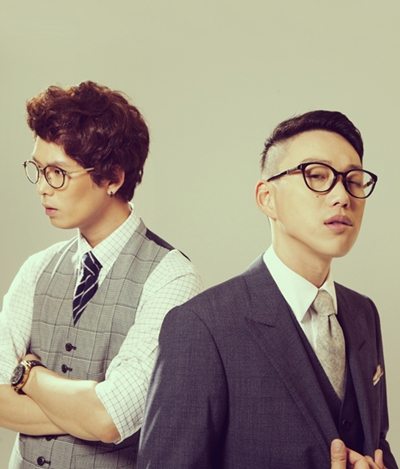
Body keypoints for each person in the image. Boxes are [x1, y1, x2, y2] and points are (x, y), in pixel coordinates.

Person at [137, 110, 397, 468]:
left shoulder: (363, 313)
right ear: (266, 197)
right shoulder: (202, 326)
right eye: (317, 176)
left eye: (353, 180)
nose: (342, 196)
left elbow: (377, 442)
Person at [0, 81, 202, 468]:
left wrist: (27, 374)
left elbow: (110, 419)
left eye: (57, 173)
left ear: (112, 178)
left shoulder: (172, 277)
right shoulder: (38, 268)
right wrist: (84, 414)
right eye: (38, 170)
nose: (42, 188)